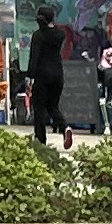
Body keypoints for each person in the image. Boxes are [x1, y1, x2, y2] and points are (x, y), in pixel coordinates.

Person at [25, 8, 70, 152]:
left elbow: (34, 58)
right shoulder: (60, 34)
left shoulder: (38, 36)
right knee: (53, 107)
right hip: (57, 74)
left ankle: (40, 142)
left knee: (39, 110)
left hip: (42, 76)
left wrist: (29, 76)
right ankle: (64, 127)